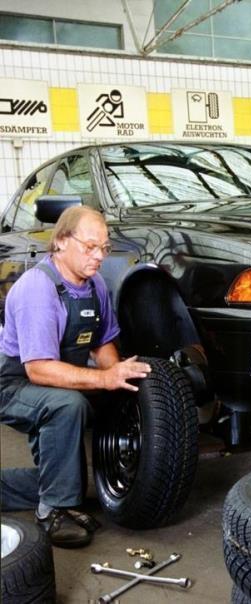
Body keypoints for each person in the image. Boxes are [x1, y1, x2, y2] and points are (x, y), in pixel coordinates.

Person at [0, 206, 151, 547]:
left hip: (50, 375)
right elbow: (38, 369)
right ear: (61, 242)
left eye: (104, 248)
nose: (99, 256)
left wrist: (115, 376)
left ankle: (54, 493)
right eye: (89, 247)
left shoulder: (94, 284)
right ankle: (52, 510)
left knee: (65, 467)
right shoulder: (38, 289)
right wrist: (102, 379)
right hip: (12, 383)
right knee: (68, 405)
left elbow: (103, 343)